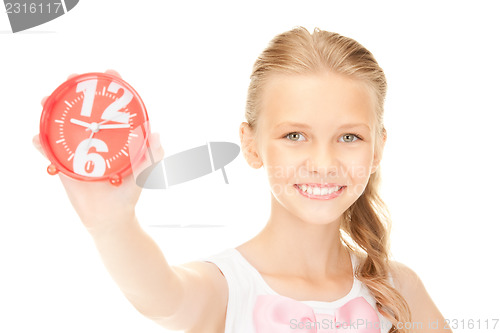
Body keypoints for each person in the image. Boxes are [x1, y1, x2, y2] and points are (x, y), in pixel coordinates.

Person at [33, 27, 450, 333]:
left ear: (377, 149)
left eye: (349, 137)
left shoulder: (399, 290)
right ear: (250, 146)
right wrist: (112, 225)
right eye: (294, 136)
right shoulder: (225, 289)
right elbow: (160, 296)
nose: (323, 163)